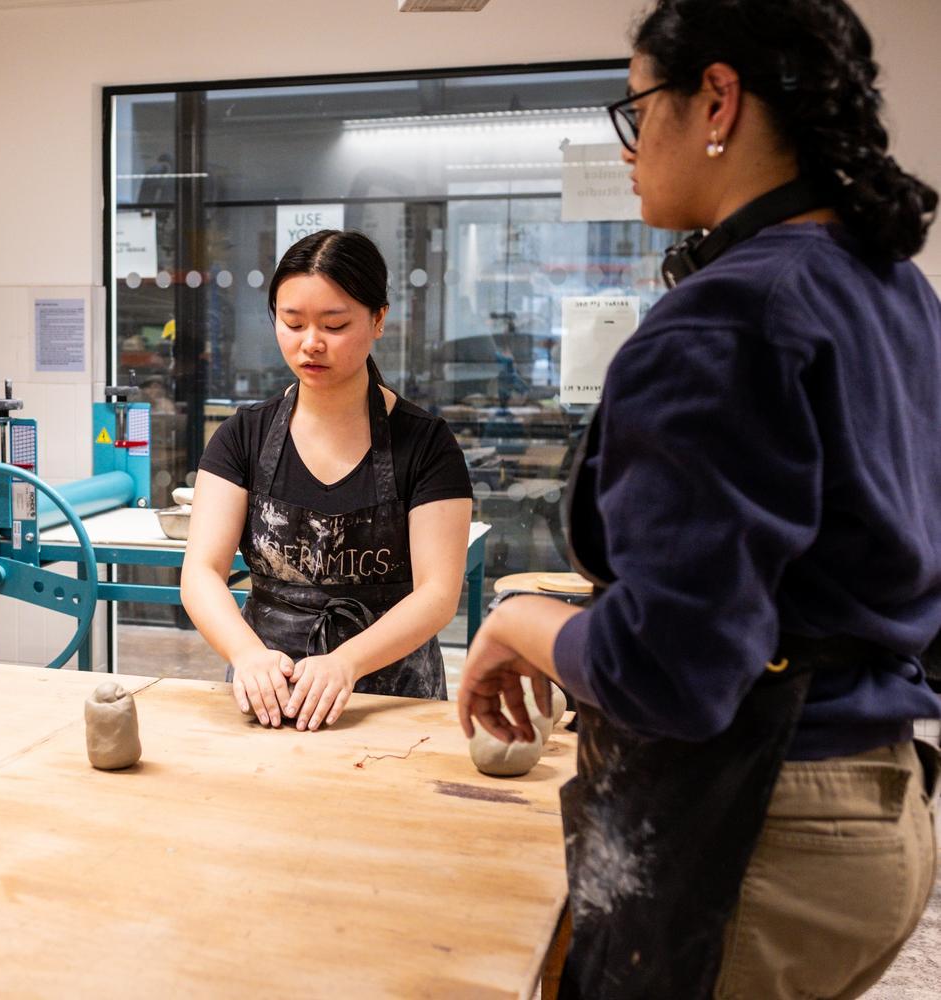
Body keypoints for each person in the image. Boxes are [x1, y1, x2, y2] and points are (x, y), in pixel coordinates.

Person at [456, 1, 941, 997]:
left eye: (638, 112)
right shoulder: (887, 287)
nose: (628, 150)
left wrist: (521, 617)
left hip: (760, 828)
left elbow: (668, 672)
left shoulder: (725, 319)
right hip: (880, 797)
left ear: (716, 97)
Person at [183, 229, 473, 731]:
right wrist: (248, 655)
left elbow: (438, 592)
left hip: (391, 703)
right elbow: (201, 573)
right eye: (292, 323)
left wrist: (347, 662)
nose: (310, 343)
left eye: (334, 325)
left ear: (379, 318)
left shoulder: (426, 444)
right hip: (267, 696)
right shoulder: (242, 437)